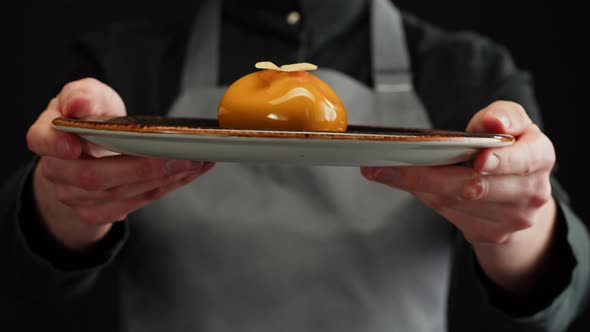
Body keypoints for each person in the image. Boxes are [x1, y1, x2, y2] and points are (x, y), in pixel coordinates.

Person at [2, 0, 589, 331]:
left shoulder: (465, 70)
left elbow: (566, 302)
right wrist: (64, 200)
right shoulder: (125, 61)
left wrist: (519, 221)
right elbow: (20, 286)